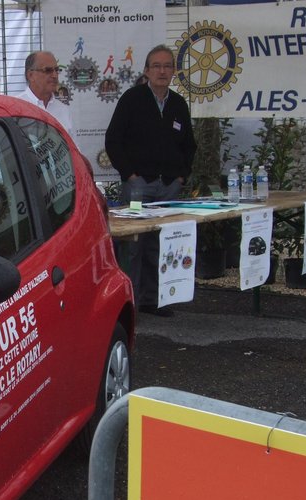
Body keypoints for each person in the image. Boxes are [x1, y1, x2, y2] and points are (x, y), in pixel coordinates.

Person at [105, 45, 197, 318]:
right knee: (133, 246)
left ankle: (154, 300)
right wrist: (130, 175)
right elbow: (113, 140)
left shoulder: (178, 104)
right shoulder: (132, 99)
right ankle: (128, 303)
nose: (162, 71)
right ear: (146, 71)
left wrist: (181, 176)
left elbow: (189, 145)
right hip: (138, 187)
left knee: (162, 244)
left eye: (167, 66)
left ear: (174, 71)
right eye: (156, 66)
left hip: (168, 188)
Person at [15, 51, 74, 138]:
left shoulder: (64, 110)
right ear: (31, 75)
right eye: (48, 70)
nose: (54, 75)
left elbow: (74, 145)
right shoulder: (16, 107)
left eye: (56, 70)